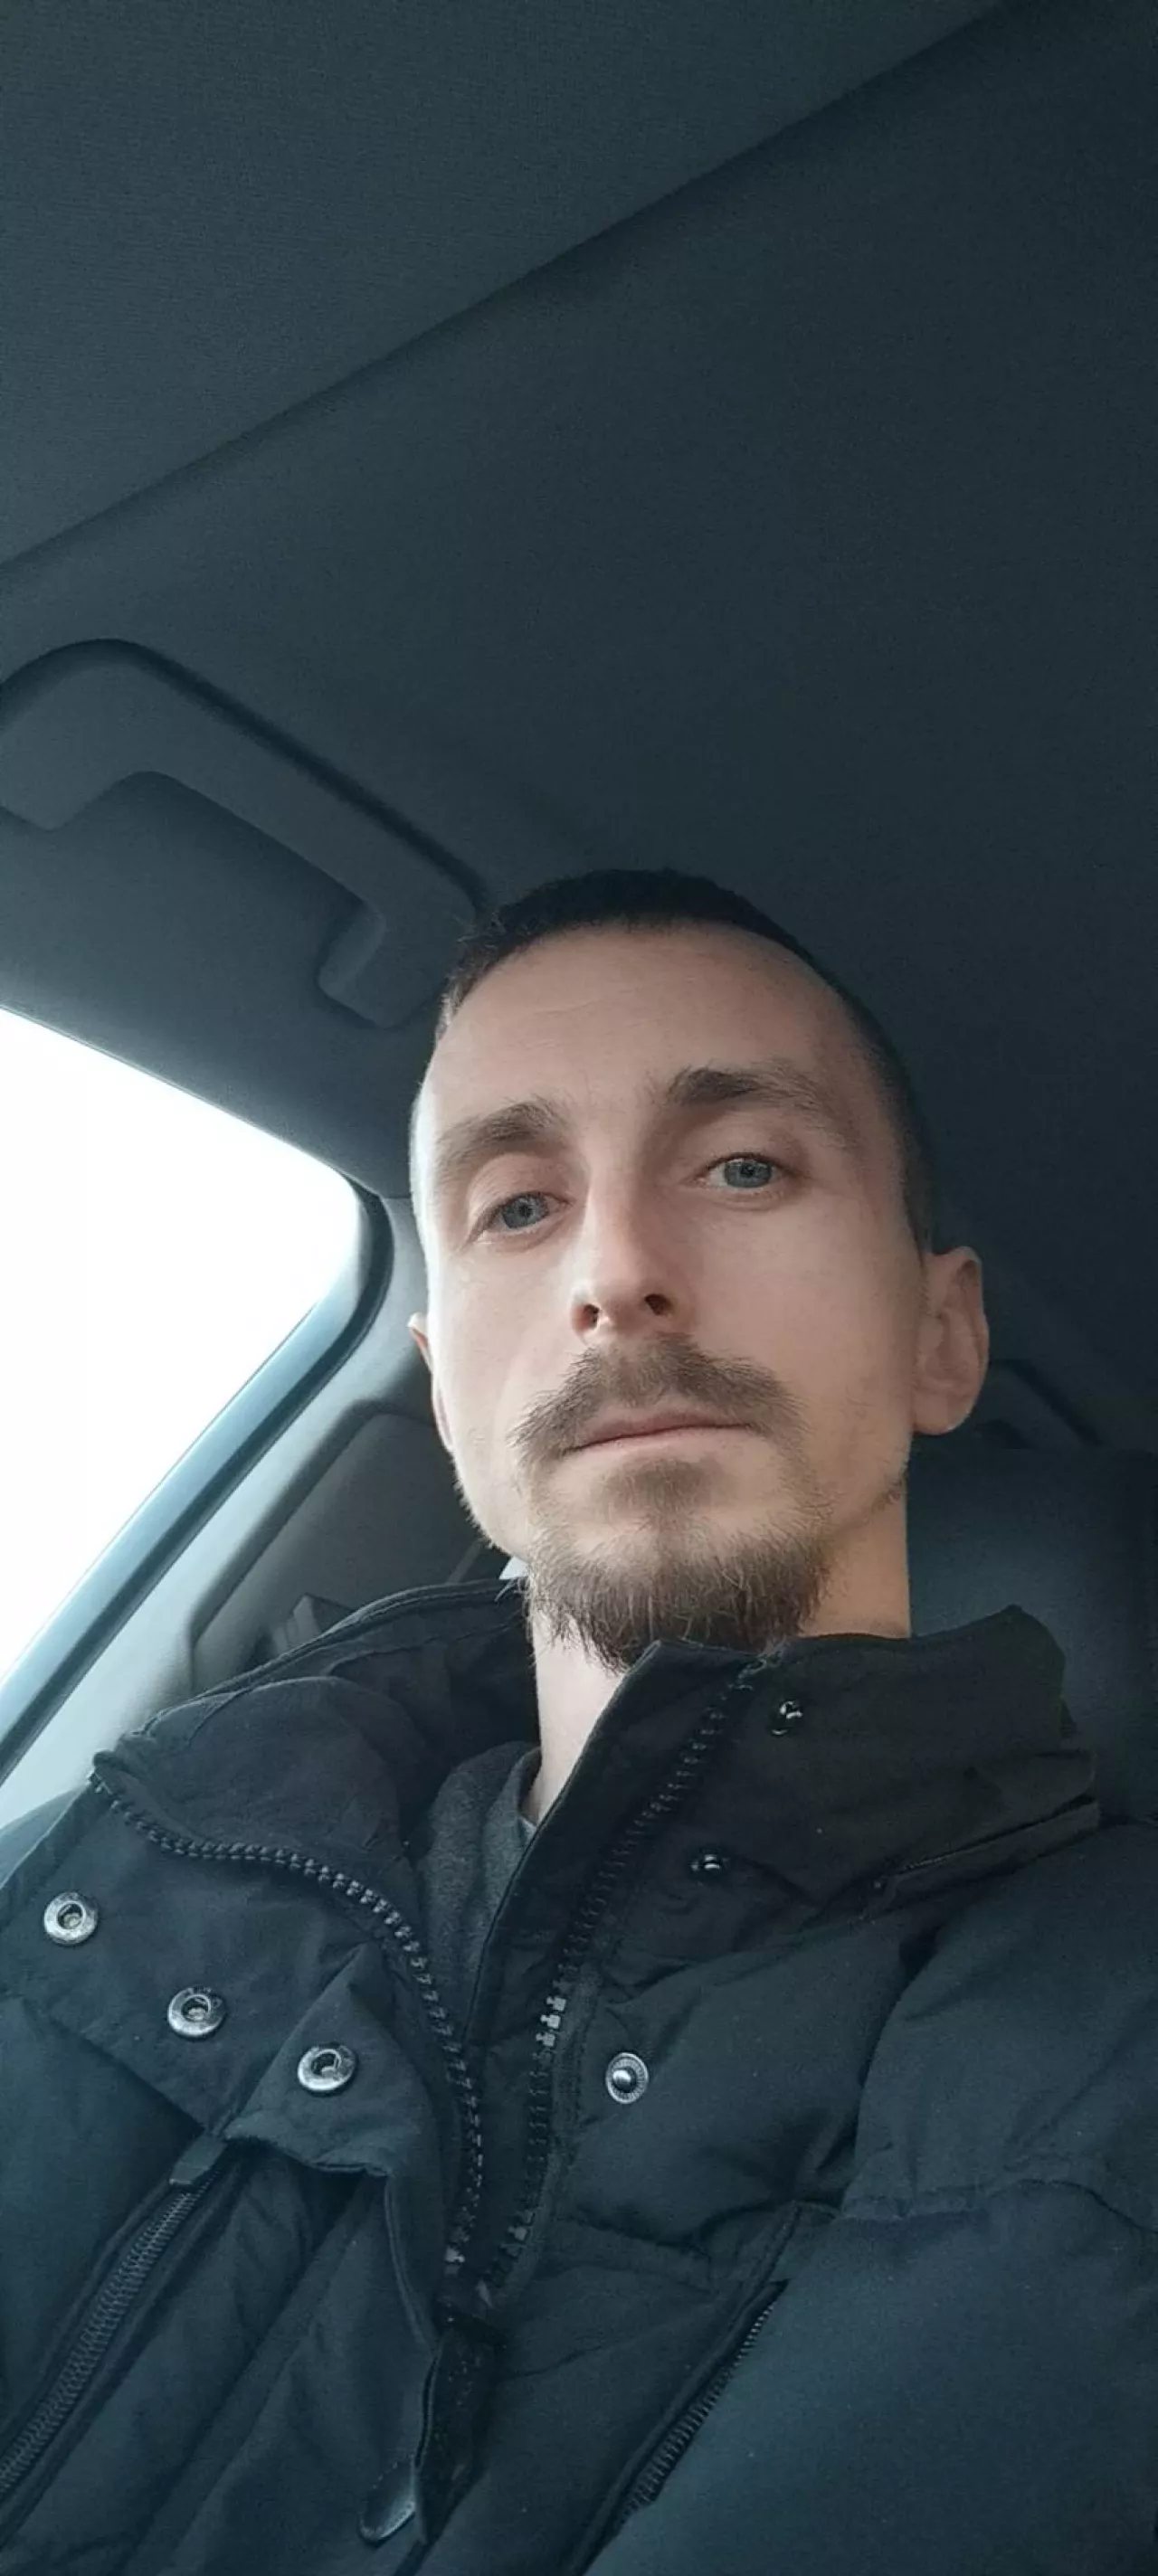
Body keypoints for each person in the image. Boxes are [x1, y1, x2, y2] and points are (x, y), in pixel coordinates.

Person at [0, 867, 1153, 2576]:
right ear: (445, 1382)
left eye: (744, 1167)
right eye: (519, 1206)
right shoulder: (97, 1877)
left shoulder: (1116, 2048)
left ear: (942, 1334)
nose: (616, 1270)